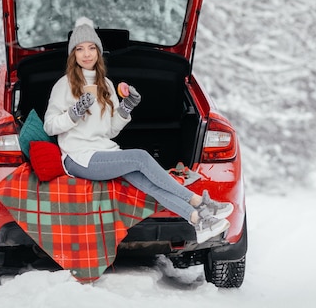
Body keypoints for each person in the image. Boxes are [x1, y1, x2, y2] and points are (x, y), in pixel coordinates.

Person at [43, 17, 233, 243]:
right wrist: (73, 113)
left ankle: (197, 220)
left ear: (98, 51)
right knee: (141, 157)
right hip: (78, 157)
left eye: (91, 48)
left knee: (148, 183)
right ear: (73, 54)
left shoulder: (106, 85)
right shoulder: (63, 85)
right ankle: (197, 201)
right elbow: (50, 126)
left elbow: (111, 131)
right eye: (80, 49)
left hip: (105, 150)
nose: (86, 54)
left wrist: (126, 107)